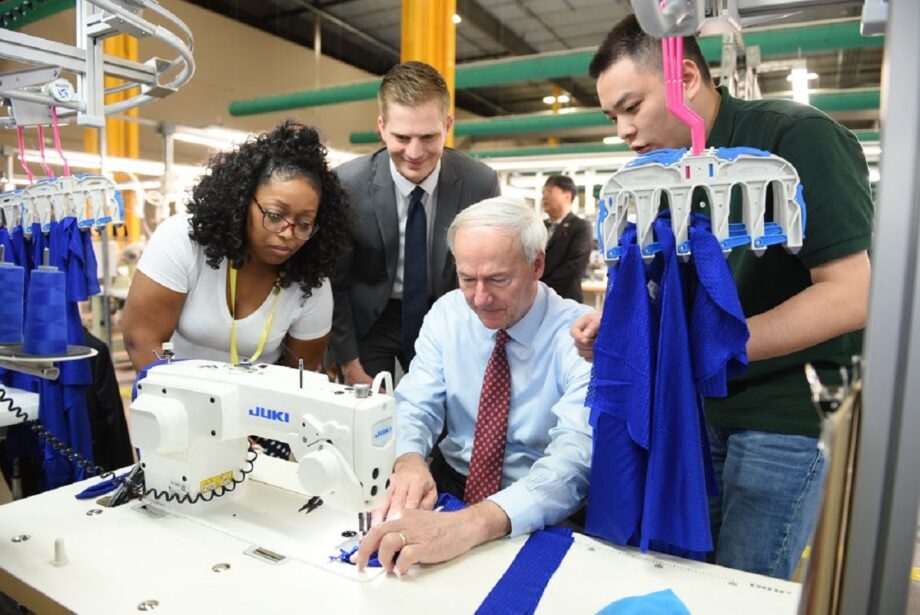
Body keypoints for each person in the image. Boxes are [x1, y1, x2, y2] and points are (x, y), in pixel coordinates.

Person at [572, 15, 873, 580]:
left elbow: (851, 295)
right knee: (680, 570)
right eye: (612, 115)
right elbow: (671, 284)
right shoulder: (660, 174)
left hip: (783, 412)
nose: (621, 131)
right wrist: (619, 326)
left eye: (631, 107)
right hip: (694, 410)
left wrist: (713, 349)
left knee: (742, 584)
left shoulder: (794, 139)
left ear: (684, 78)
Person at [353, 196, 593, 575]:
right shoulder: (448, 314)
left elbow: (575, 460)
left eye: (498, 279)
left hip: (538, 500)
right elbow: (417, 404)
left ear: (537, 265)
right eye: (468, 279)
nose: (480, 299)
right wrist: (410, 459)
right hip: (452, 484)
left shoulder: (579, 336)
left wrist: (470, 525)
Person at [123, 120, 352, 373]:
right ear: (242, 202)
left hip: (258, 407)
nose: (289, 234)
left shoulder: (310, 281)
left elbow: (302, 372)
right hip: (177, 396)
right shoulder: (183, 238)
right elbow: (141, 341)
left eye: (305, 223)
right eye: (274, 215)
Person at [330, 61, 501, 386]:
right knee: (369, 423)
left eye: (428, 137)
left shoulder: (479, 183)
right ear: (381, 127)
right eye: (401, 137)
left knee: (444, 423)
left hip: (444, 316)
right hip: (370, 322)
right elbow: (335, 283)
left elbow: (488, 276)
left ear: (448, 125)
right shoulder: (346, 185)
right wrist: (347, 362)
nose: (414, 152)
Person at [540, 174, 593, 302]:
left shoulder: (581, 227)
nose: (544, 196)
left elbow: (573, 267)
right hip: (538, 301)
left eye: (550, 191)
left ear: (567, 196)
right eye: (543, 192)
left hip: (565, 300)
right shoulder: (540, 226)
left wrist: (539, 286)